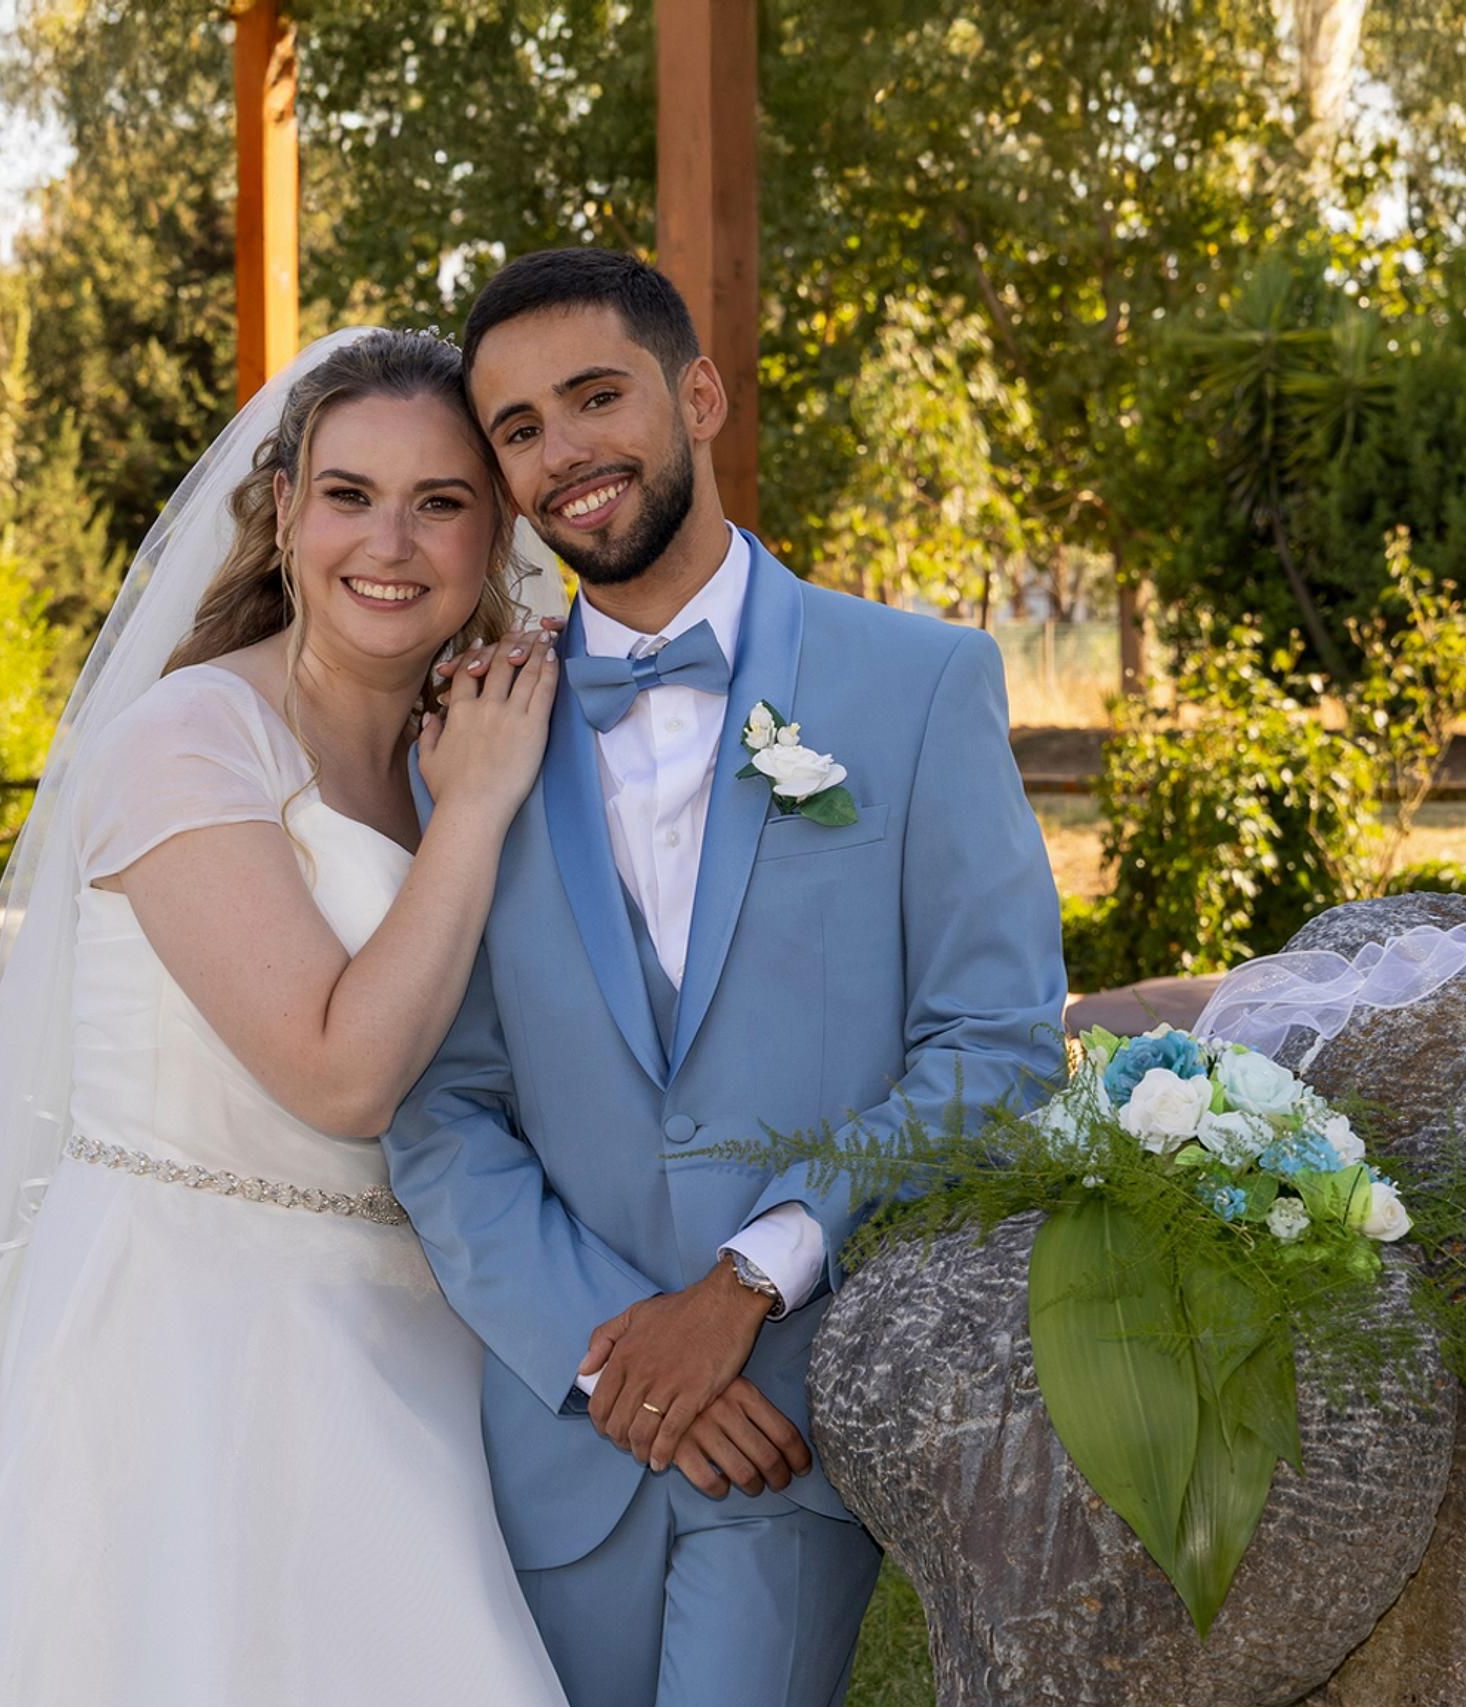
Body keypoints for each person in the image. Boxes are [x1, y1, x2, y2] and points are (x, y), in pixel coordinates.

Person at [0, 328, 573, 1705]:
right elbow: (337, 1077)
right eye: (348, 495)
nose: (388, 541)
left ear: (493, 531)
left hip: (425, 1335)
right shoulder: (189, 739)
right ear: (284, 512)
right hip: (182, 1335)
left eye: (440, 501)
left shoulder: (469, 736)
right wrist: (482, 813)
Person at [384, 249, 1068, 1707]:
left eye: (594, 397)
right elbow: (442, 1105)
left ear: (698, 396)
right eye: (516, 430)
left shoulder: (920, 683)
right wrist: (610, 1361)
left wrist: (749, 1285)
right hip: (555, 1442)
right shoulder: (480, 736)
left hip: (791, 1421)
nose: (561, 453)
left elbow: (993, 1045)